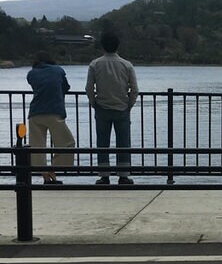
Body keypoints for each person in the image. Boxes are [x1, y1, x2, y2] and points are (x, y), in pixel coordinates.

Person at [86, 31, 139, 185]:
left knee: (102, 143)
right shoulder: (126, 64)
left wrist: (93, 102)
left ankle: (104, 176)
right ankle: (123, 176)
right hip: (122, 108)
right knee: (123, 143)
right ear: (118, 46)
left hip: (102, 107)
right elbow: (134, 89)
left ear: (102, 46)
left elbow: (89, 87)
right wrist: (129, 105)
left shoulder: (95, 64)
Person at [26, 52, 76, 185]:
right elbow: (66, 87)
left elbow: (36, 87)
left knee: (37, 147)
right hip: (54, 111)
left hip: (35, 113)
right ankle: (54, 170)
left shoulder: (31, 73)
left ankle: (44, 175)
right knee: (67, 143)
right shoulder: (58, 70)